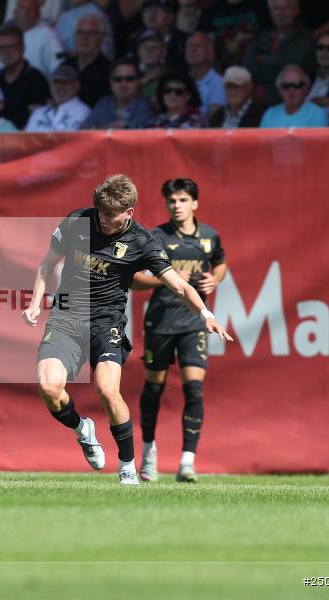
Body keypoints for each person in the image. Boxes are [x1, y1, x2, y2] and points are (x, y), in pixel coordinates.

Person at [22, 174, 232, 485]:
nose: (103, 221)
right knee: (49, 388)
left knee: (108, 391)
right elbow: (47, 263)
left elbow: (176, 285)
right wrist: (36, 302)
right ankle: (83, 430)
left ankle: (127, 466)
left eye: (110, 216)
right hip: (65, 318)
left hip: (106, 323)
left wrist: (205, 312)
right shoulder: (77, 221)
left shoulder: (143, 242)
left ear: (129, 213)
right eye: (100, 213)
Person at [131, 178, 227, 483]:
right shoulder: (155, 237)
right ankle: (148, 453)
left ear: (194, 204)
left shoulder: (209, 236)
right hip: (160, 321)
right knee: (154, 389)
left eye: (183, 200)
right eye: (172, 201)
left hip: (193, 323)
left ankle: (187, 461)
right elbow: (133, 280)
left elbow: (220, 263)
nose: (177, 206)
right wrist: (167, 278)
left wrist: (216, 279)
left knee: (194, 387)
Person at [241, 0, 315, 106]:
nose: (281, 13)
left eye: (285, 8)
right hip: (255, 95)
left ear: (296, 11)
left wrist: (263, 59)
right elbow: (248, 66)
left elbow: (292, 67)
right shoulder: (263, 35)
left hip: (283, 99)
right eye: (276, 9)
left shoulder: (305, 38)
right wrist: (275, 63)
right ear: (271, 13)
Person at [0, 25, 51, 129]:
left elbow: (37, 120)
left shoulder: (36, 78)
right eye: (3, 48)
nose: (7, 52)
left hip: (24, 138)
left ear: (22, 48)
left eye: (12, 46)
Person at [0, 0, 64, 80]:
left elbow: (60, 67)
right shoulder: (5, 38)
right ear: (15, 13)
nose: (26, 12)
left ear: (38, 14)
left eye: (30, 9)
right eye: (22, 8)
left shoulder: (47, 34)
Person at [82, 59, 157, 129]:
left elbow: (135, 136)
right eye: (117, 79)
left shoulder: (147, 105)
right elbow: (84, 131)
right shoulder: (103, 103)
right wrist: (107, 129)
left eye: (129, 79)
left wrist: (102, 130)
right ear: (110, 82)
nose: (123, 84)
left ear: (139, 81)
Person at [63, 15, 112, 107]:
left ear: (100, 39)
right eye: (80, 33)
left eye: (91, 33)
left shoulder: (109, 71)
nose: (84, 37)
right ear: (75, 37)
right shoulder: (65, 67)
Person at [25, 64, 91, 131]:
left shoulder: (82, 111)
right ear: (50, 86)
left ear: (76, 86)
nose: (60, 87)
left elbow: (73, 140)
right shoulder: (38, 112)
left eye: (66, 83)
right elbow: (26, 139)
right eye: (56, 82)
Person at [260, 64, 329, 127]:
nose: (291, 90)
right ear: (279, 90)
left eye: (297, 85)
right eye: (286, 86)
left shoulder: (318, 115)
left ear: (306, 88)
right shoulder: (270, 114)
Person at [186, 32, 226, 117]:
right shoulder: (182, 80)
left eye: (198, 46)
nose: (193, 50)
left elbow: (213, 120)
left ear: (210, 53)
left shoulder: (218, 83)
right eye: (190, 46)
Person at [136, 30, 168, 106]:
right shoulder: (131, 76)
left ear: (164, 51)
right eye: (145, 47)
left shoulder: (169, 78)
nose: (150, 51)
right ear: (138, 52)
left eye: (155, 47)